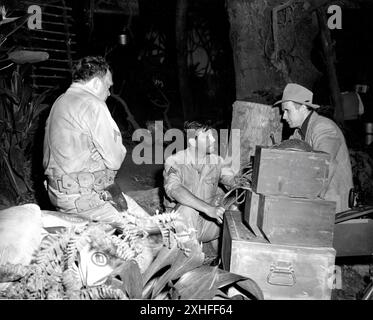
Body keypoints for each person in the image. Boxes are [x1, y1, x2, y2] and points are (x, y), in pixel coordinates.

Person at [43, 56, 148, 224]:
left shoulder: (60, 101)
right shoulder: (93, 104)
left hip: (60, 194)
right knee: (152, 229)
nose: (108, 93)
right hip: (84, 199)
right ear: (97, 83)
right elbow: (114, 160)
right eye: (108, 86)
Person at [274, 83, 353, 213]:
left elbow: (324, 166)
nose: (284, 116)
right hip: (319, 205)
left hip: (334, 209)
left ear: (303, 107)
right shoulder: (299, 133)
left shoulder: (323, 127)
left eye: (287, 110)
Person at [163, 121, 238, 256]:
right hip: (179, 226)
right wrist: (209, 209)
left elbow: (232, 180)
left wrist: (246, 180)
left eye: (213, 135)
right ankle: (186, 261)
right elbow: (174, 188)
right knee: (187, 209)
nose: (214, 139)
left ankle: (223, 259)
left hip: (206, 222)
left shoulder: (217, 161)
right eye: (207, 136)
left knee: (236, 207)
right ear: (192, 141)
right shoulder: (173, 161)